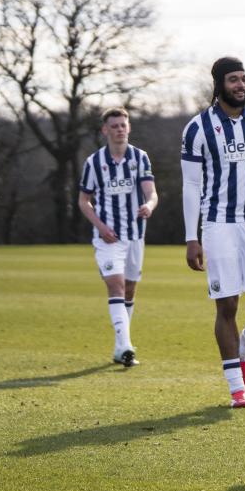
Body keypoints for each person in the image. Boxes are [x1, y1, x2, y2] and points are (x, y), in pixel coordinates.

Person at [181, 57, 245, 409]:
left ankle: (242, 354)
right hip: (218, 223)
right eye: (233, 80)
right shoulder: (197, 128)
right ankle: (235, 387)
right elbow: (191, 185)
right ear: (219, 85)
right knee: (227, 304)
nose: (241, 85)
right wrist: (191, 237)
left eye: (244, 79)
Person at [78, 107, 158, 367]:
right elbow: (83, 201)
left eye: (123, 125)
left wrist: (149, 206)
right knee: (116, 285)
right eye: (114, 126)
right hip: (108, 238)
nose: (120, 129)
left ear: (129, 127)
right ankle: (126, 346)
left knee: (130, 289)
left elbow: (152, 193)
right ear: (105, 130)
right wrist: (100, 226)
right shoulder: (94, 163)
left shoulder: (140, 158)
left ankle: (118, 346)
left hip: (135, 235)